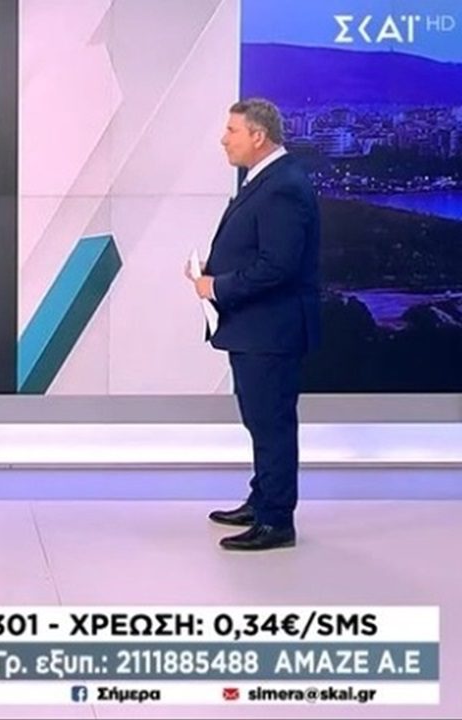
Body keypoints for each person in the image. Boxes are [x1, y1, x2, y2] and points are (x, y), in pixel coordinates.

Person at [189, 98, 320, 552]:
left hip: (271, 330)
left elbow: (278, 266)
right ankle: (262, 499)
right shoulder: (266, 179)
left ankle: (276, 520)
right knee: (260, 421)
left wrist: (217, 286)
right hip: (254, 328)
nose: (224, 140)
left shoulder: (283, 186)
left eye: (232, 131)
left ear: (258, 136)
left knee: (272, 424)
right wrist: (211, 271)